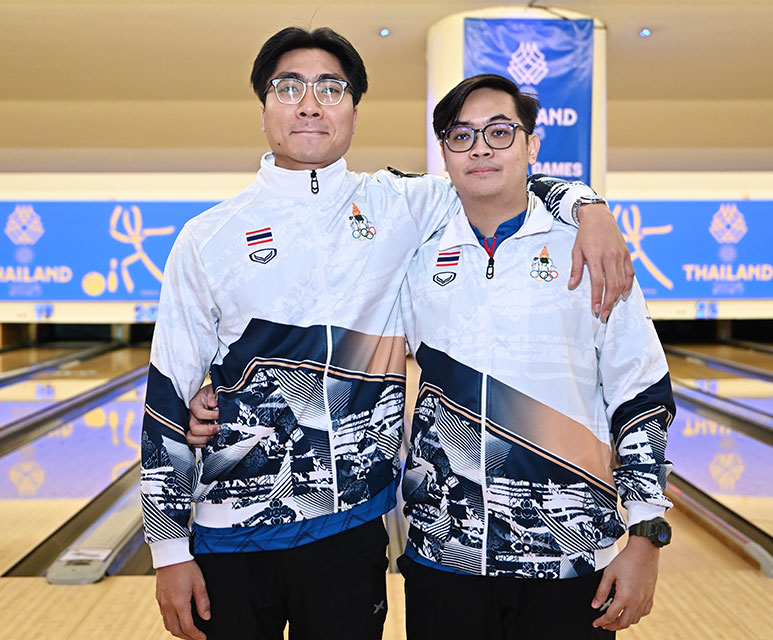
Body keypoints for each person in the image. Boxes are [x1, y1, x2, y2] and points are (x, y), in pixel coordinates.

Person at [144, 26, 632, 640]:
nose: (310, 104)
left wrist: (590, 208)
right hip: (229, 533)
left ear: (353, 110)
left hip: (350, 530)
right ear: (263, 107)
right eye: (288, 87)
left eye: (331, 88)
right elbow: (168, 392)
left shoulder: (400, 204)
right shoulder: (207, 237)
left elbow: (498, 174)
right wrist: (168, 549)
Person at [396, 74, 674, 639]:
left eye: (500, 132)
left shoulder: (591, 250)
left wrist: (646, 535)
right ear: (444, 154)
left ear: (532, 146)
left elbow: (639, 391)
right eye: (461, 135)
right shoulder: (415, 252)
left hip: (571, 558)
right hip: (443, 555)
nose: (480, 148)